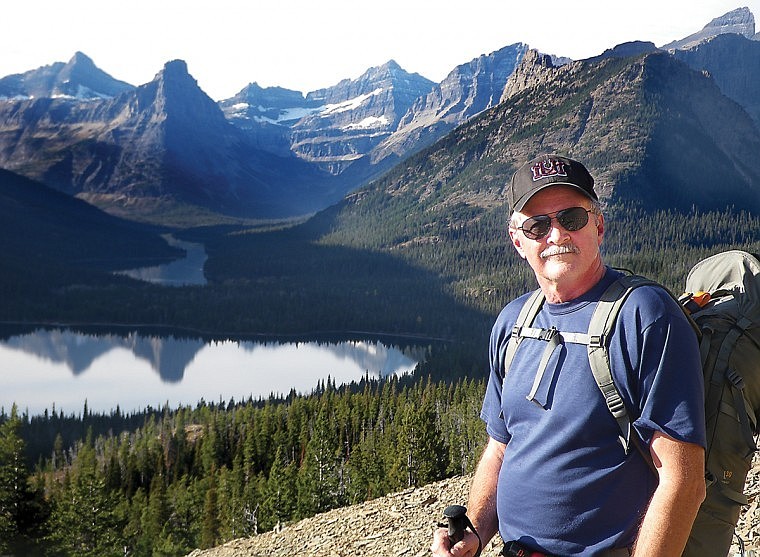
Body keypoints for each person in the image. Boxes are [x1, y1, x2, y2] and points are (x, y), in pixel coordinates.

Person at [431, 154, 706, 557]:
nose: (556, 234)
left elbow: (683, 481)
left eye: (572, 218)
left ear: (598, 224)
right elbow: (501, 448)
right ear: (517, 241)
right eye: (537, 226)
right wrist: (474, 533)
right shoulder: (513, 322)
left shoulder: (645, 316)